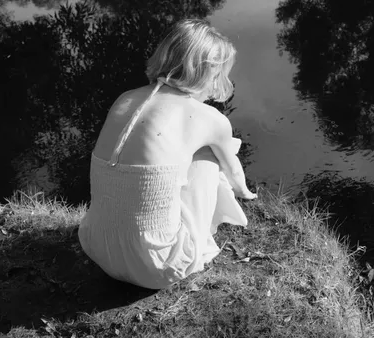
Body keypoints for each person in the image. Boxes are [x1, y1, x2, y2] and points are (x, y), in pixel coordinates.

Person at [78, 19, 257, 290]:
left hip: (95, 247)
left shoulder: (125, 98)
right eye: (219, 74)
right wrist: (245, 193)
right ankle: (197, 238)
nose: (219, 82)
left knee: (174, 154)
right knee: (211, 152)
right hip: (158, 267)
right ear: (207, 72)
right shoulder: (209, 117)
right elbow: (235, 176)